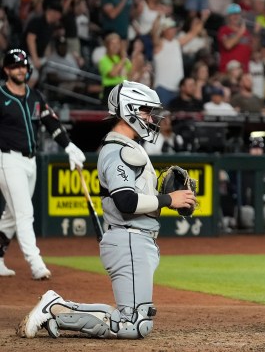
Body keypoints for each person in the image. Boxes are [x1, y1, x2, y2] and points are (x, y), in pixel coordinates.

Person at [17, 81, 196, 339]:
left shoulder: (128, 148)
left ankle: (55, 307)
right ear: (129, 109)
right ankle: (55, 308)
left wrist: (161, 197)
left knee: (131, 318)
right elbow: (126, 202)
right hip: (129, 239)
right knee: (134, 325)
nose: (151, 119)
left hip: (135, 240)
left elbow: (133, 199)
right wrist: (169, 199)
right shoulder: (117, 150)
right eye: (146, 111)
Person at [0, 49, 86, 279]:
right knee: (25, 212)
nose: (21, 69)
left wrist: (68, 146)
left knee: (12, 213)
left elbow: (51, 122)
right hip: (7, 159)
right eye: (15, 66)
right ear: (6, 70)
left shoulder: (34, 96)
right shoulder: (0, 95)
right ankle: (36, 263)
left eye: (24, 65)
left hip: (30, 161)